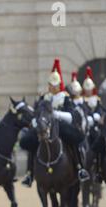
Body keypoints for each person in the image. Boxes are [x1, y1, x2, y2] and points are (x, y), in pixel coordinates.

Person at [20, 58, 90, 187]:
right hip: (44, 125)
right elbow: (36, 113)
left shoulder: (65, 98)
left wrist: (55, 114)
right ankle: (30, 173)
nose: (52, 87)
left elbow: (71, 116)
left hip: (60, 125)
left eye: (55, 85)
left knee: (73, 139)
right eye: (50, 85)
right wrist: (36, 121)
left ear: (59, 85)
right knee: (31, 142)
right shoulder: (43, 97)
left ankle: (79, 168)